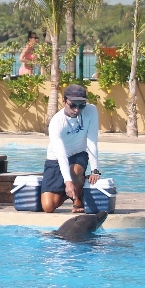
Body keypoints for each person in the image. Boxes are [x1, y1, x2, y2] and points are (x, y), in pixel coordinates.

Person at [41, 84, 101, 213]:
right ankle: (74, 187)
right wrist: (68, 182)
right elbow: (61, 155)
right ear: (64, 101)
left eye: (81, 105)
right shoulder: (57, 122)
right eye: (73, 105)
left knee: (75, 170)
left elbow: (92, 141)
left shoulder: (91, 111)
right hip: (56, 158)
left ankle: (77, 197)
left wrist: (95, 169)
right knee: (48, 206)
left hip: (78, 154)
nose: (77, 110)